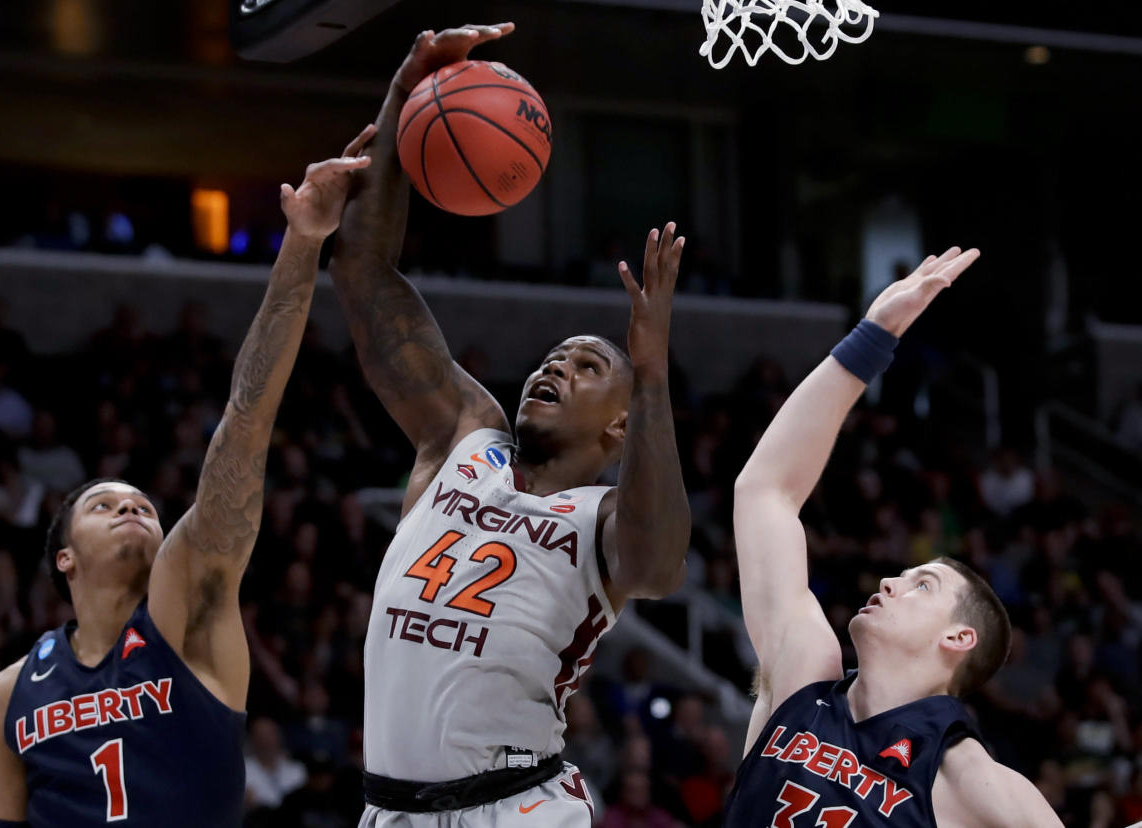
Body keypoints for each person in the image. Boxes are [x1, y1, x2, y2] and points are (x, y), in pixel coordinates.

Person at [328, 23, 691, 828]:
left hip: (516, 809)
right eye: (554, 358)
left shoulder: (604, 519)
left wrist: (655, 373)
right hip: (388, 810)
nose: (554, 367)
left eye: (587, 366)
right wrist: (406, 92)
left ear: (621, 427)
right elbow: (361, 271)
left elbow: (661, 566)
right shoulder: (465, 434)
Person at [0, 130, 375, 828]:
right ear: (63, 555)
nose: (132, 508)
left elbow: (246, 421)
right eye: (105, 505)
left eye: (144, 506)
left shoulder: (189, 617)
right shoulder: (7, 692)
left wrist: (303, 245)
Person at [723, 248, 1061, 825]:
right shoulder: (804, 674)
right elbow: (765, 492)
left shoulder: (969, 778)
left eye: (922, 585)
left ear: (959, 637)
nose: (890, 581)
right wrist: (873, 336)